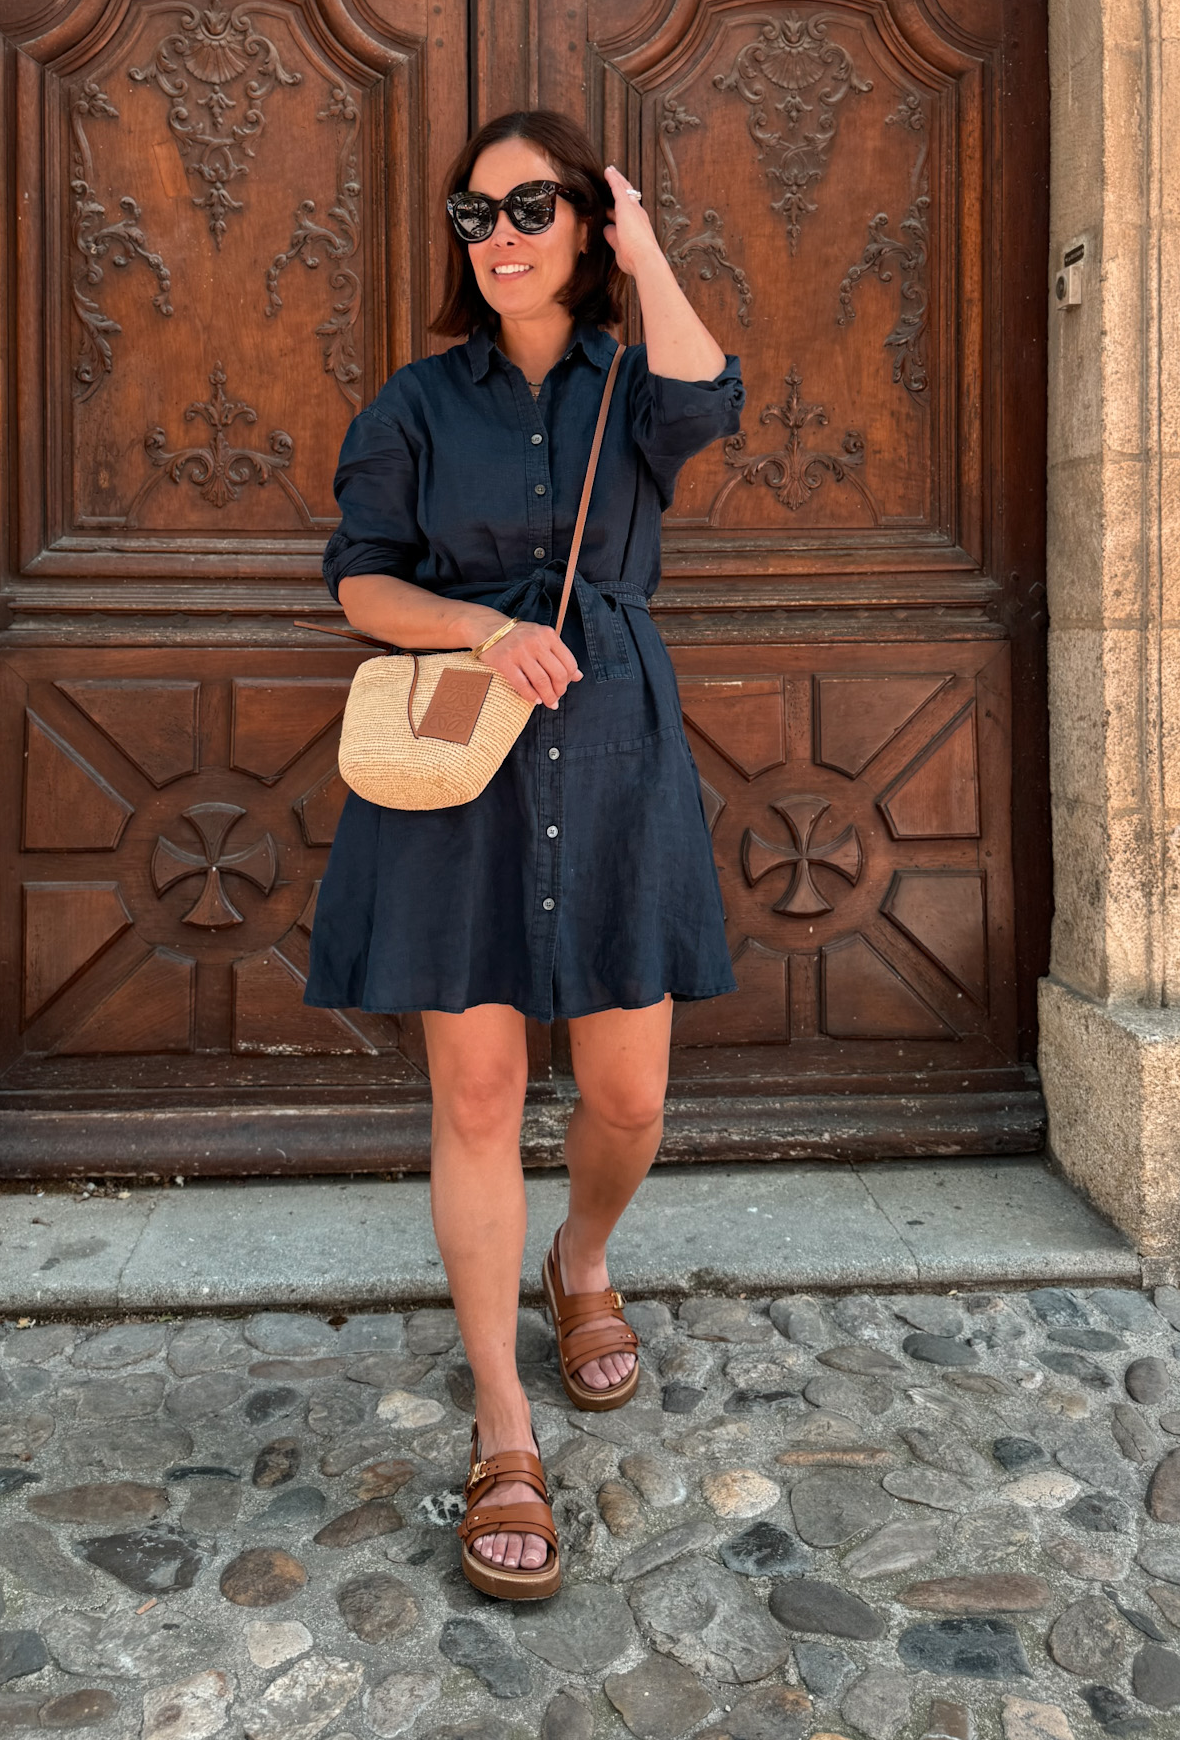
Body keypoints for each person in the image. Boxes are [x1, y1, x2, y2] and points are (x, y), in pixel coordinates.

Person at [305, 108, 743, 1599]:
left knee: (629, 1091)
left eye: (529, 208)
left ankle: (587, 1260)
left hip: (616, 751)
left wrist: (644, 242)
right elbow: (362, 583)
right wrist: (487, 626)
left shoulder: (633, 382)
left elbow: (712, 391)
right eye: (474, 216)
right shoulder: (420, 403)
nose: (497, 238)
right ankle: (502, 1415)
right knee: (479, 1089)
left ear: (583, 226)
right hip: (462, 769)